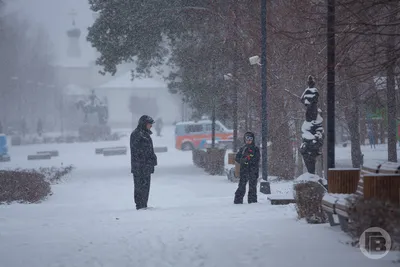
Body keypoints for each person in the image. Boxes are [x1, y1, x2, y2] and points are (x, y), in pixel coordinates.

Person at [130, 115, 158, 210]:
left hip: (146, 166)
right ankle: (140, 205)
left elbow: (149, 150)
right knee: (139, 187)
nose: (151, 126)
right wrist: (147, 159)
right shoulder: (137, 134)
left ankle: (144, 205)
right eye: (149, 124)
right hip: (139, 167)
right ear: (144, 124)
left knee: (146, 187)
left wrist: (152, 158)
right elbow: (138, 151)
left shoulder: (145, 134)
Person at [234, 132, 260, 204]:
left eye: (250, 139)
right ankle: (238, 200)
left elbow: (256, 159)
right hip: (244, 170)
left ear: (253, 139)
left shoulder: (255, 149)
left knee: (252, 186)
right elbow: (237, 158)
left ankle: (252, 201)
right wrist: (242, 160)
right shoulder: (243, 148)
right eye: (247, 139)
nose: (248, 140)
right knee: (242, 185)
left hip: (253, 170)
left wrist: (249, 160)